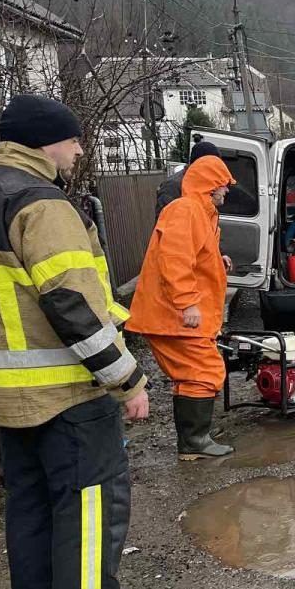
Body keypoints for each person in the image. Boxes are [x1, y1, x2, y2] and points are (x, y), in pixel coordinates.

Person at [0, 94, 159, 589]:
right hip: (68, 395)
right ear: (43, 141)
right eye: (72, 140)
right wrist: (126, 377)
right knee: (86, 517)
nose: (80, 149)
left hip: (7, 396)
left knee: (30, 516)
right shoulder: (39, 202)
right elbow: (72, 304)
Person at [127, 155, 236, 460]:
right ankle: (194, 440)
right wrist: (187, 302)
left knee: (192, 374)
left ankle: (193, 439)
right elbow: (174, 259)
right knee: (206, 371)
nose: (226, 191)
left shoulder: (201, 214)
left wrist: (218, 258)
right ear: (210, 185)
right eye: (223, 185)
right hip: (175, 316)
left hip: (174, 316)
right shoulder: (186, 210)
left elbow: (193, 253)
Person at [155, 138, 220, 216]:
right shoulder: (173, 186)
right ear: (201, 162)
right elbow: (163, 221)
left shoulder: (202, 183)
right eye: (213, 164)